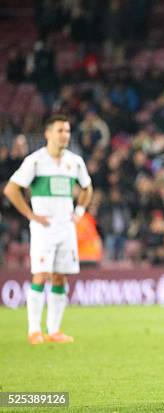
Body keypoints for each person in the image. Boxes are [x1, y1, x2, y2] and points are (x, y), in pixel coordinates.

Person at [3, 114, 93, 345]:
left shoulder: (75, 162)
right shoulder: (36, 161)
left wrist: (80, 211)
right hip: (43, 229)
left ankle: (54, 330)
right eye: (60, 130)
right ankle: (34, 330)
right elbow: (11, 189)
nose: (65, 135)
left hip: (66, 228)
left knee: (60, 277)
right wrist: (30, 215)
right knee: (41, 275)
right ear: (48, 133)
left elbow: (87, 187)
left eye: (67, 131)